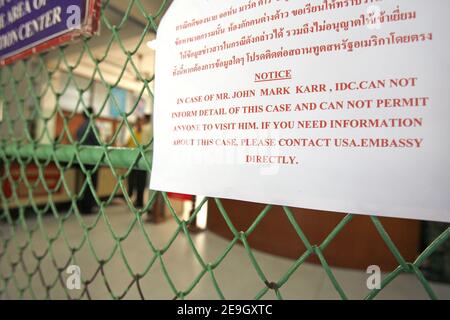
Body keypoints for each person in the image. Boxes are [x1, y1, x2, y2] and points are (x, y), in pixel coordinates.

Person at [76, 107, 100, 214]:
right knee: (91, 184)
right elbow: (97, 143)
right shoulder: (92, 126)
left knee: (85, 182)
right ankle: (88, 207)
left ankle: (83, 206)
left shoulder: (80, 127)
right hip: (92, 159)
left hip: (82, 158)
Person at [127, 116, 152, 208]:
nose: (140, 125)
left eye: (141, 123)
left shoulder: (144, 132)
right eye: (138, 123)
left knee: (140, 183)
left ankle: (139, 201)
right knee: (133, 182)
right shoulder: (133, 133)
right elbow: (127, 143)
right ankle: (133, 198)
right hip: (132, 161)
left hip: (142, 160)